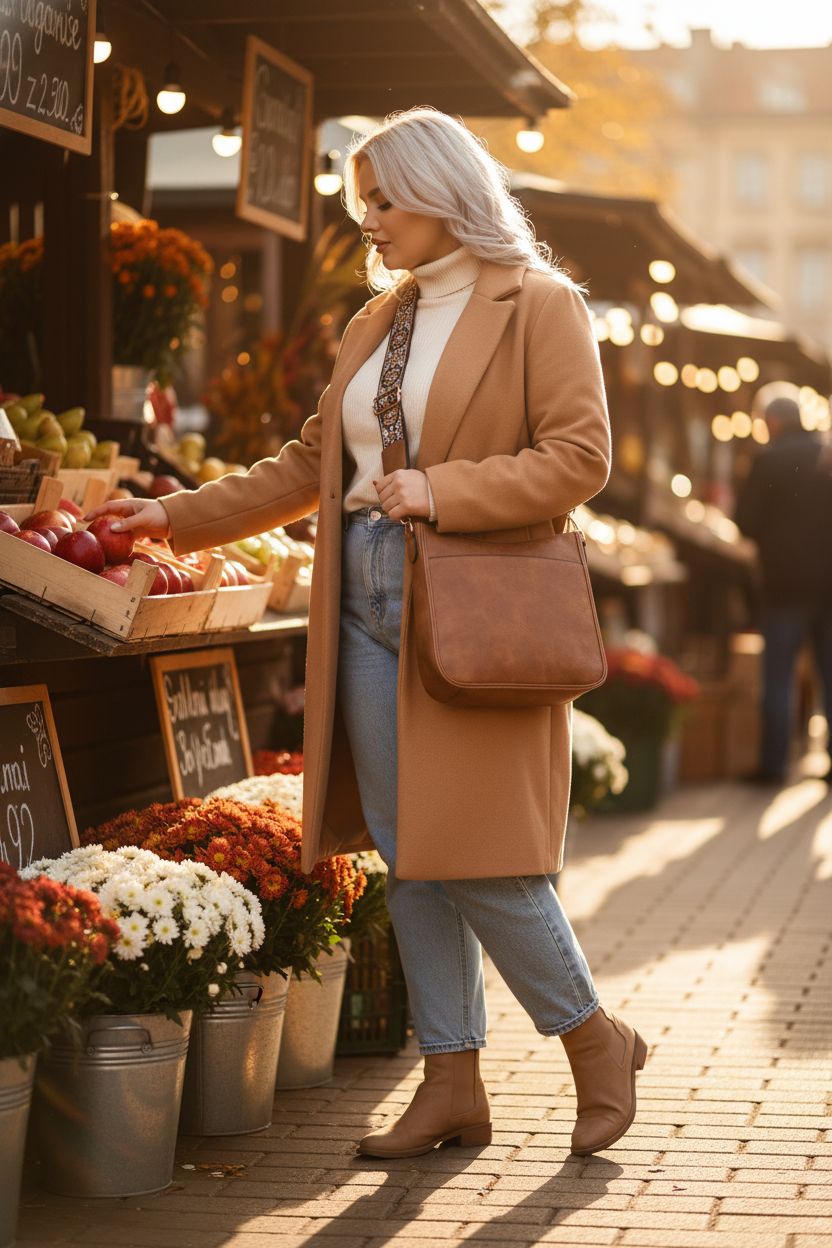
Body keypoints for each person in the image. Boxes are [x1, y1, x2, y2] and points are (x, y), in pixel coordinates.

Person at [86, 107, 647, 1159]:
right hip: (362, 606)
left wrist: (438, 488)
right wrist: (173, 513)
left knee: (484, 855)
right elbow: (310, 468)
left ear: (444, 194)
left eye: (384, 202)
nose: (368, 222)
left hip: (471, 608)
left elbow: (577, 457)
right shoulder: (375, 321)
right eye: (362, 204)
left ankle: (591, 1040)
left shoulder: (540, 306)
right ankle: (451, 1080)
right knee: (411, 856)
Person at [735, 388, 832, 784]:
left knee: (778, 678)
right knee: (831, 675)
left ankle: (775, 765)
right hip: (830, 585)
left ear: (771, 422)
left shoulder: (769, 459)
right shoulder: (828, 454)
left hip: (784, 586)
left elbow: (746, 522)